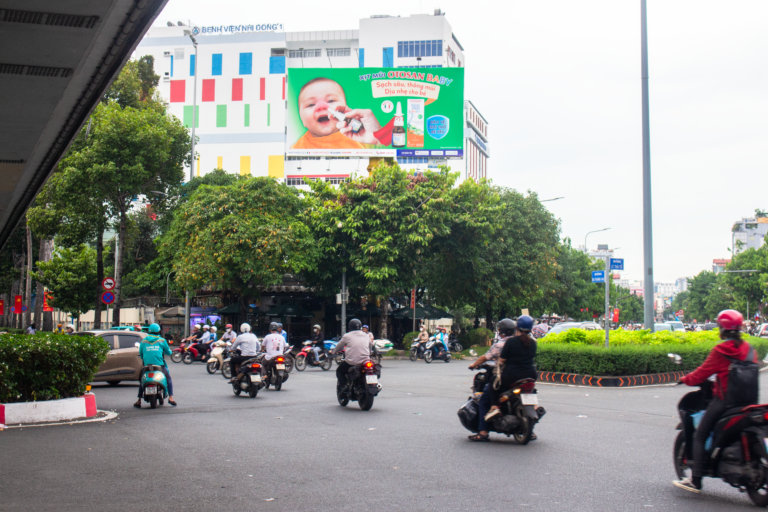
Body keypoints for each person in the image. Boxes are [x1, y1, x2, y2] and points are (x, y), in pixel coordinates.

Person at [673, 309, 758, 493]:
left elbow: (701, 374)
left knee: (700, 434)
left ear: (722, 329)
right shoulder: (749, 349)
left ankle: (695, 480)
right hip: (749, 402)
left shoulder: (721, 350)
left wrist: (685, 379)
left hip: (726, 401)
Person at [291, 77, 382, 150]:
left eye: (331, 100)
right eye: (311, 104)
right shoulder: (298, 147)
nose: (321, 106)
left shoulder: (358, 135)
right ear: (301, 118)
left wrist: (377, 137)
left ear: (344, 109)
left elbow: (382, 151)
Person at [467, 318, 515, 442]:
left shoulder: (499, 345)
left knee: (484, 400)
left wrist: (473, 365)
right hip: (521, 377)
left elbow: (485, 357)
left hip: (503, 377)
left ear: (501, 331)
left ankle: (483, 432)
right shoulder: (520, 343)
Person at [486, 315, 538, 423]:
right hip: (531, 374)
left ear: (517, 327)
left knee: (493, 382)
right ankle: (535, 405)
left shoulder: (511, 342)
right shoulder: (533, 343)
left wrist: (499, 362)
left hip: (512, 375)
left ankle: (494, 407)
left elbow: (502, 359)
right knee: (532, 389)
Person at [134, 323, 176, 407]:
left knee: (143, 380)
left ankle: (139, 400)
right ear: (158, 331)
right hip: (159, 366)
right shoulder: (162, 340)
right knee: (168, 378)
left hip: (147, 366)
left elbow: (141, 354)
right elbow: (169, 352)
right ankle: (171, 397)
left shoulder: (144, 341)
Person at [332, 319, 374, 390]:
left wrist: (333, 351)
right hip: (365, 361)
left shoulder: (347, 336)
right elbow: (370, 346)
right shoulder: (366, 335)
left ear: (350, 327)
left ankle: (344, 386)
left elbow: (339, 346)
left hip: (352, 362)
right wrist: (369, 352)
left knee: (339, 371)